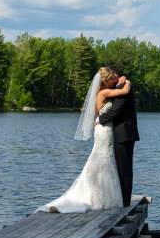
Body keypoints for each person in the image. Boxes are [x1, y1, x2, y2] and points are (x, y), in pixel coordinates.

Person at [37, 67, 128, 213]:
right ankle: (102, 196)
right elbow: (124, 91)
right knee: (104, 158)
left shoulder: (101, 93)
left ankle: (99, 194)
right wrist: (127, 81)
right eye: (111, 78)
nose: (114, 80)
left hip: (103, 128)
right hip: (105, 130)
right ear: (105, 81)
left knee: (102, 158)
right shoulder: (104, 92)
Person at [97, 65, 139, 206]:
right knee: (118, 168)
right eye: (110, 79)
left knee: (124, 168)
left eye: (113, 76)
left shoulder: (124, 86)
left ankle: (125, 201)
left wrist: (99, 120)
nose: (114, 79)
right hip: (117, 132)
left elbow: (116, 110)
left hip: (124, 133)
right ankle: (118, 197)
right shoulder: (116, 88)